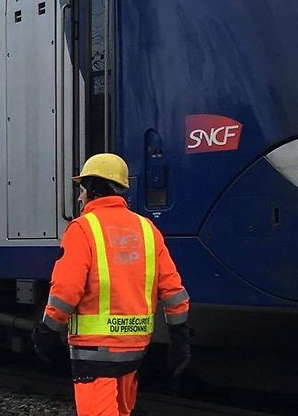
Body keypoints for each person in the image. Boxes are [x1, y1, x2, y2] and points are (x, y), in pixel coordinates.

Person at [34, 153, 191, 416]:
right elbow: (174, 293)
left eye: (82, 189)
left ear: (94, 188)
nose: (79, 197)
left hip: (95, 354)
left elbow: (66, 292)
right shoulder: (147, 229)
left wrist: (46, 331)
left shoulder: (82, 229)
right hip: (134, 351)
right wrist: (180, 339)